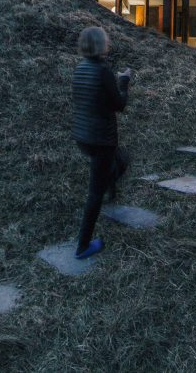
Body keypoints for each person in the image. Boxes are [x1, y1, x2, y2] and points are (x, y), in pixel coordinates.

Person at [71, 26, 133, 259]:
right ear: (100, 44)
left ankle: (111, 187)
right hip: (101, 140)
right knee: (94, 192)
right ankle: (83, 246)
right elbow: (120, 105)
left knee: (121, 160)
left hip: (83, 137)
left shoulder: (80, 69)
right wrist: (124, 81)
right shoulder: (103, 71)